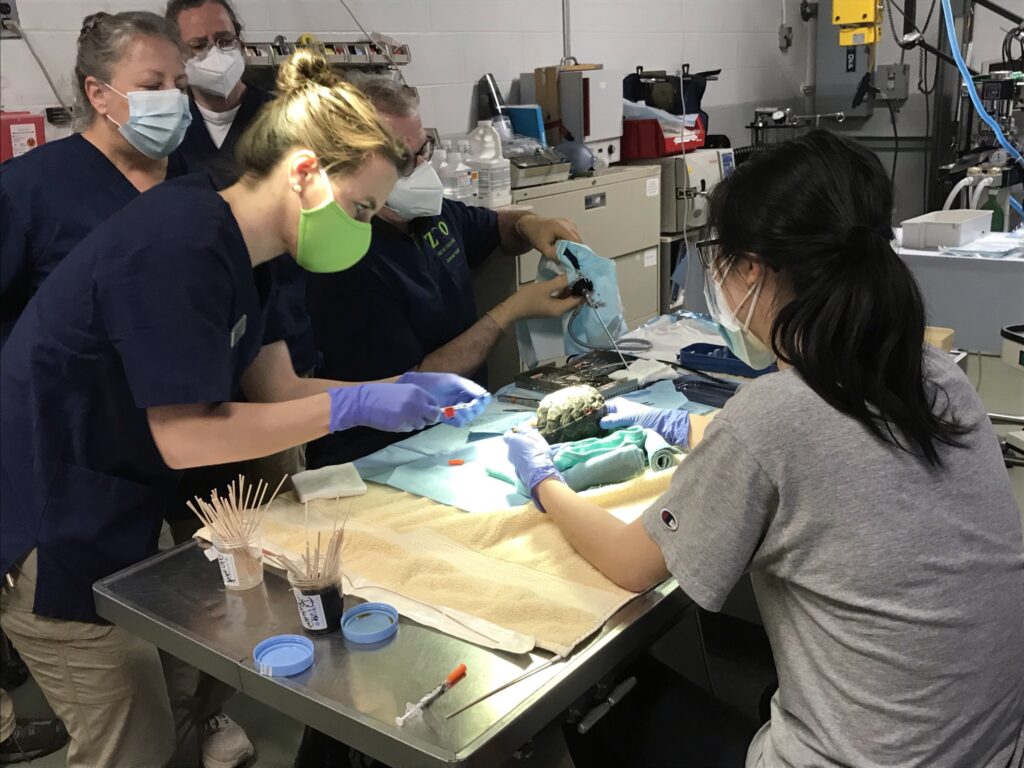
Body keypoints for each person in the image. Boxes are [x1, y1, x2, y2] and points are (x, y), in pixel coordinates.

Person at [0, 49, 486, 768]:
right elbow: (187, 435)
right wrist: (355, 404)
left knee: (179, 694)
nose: (365, 225)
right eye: (359, 207)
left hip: (128, 502)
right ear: (302, 174)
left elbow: (280, 394)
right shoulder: (179, 244)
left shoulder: (266, 254)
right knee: (131, 736)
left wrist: (400, 390)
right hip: (51, 511)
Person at [504, 130, 1024, 767]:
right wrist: (672, 427)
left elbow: (630, 564)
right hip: (988, 749)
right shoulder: (929, 371)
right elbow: (823, 457)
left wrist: (542, 480)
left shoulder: (770, 420)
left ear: (751, 268)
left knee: (597, 702)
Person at [304, 77, 584, 469]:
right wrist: (510, 312)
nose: (422, 168)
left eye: (424, 150)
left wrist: (527, 224)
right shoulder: (345, 263)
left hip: (453, 430)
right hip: (380, 455)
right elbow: (415, 384)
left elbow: (491, 228)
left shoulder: (424, 215)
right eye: (404, 160)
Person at [0, 10, 190, 348]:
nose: (173, 98)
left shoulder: (194, 181)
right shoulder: (28, 189)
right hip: (69, 395)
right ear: (98, 94)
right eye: (152, 86)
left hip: (186, 391)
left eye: (181, 85)